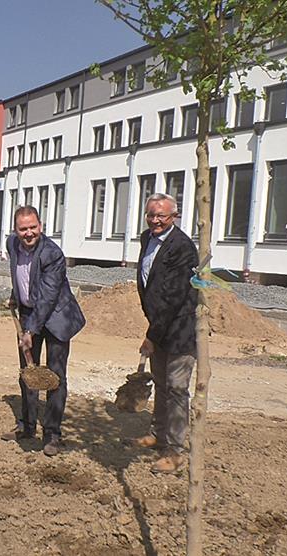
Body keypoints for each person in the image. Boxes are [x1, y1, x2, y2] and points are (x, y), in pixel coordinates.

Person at [3, 205, 85, 457]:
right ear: (15, 230)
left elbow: (48, 297)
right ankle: (27, 426)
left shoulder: (52, 253)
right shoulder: (11, 245)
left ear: (41, 226)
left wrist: (30, 331)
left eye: (32, 227)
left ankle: (52, 434)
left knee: (54, 378)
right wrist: (16, 296)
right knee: (28, 373)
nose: (28, 233)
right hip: (30, 314)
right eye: (22, 228)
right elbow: (24, 277)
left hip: (57, 318)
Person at [128, 192, 198, 474]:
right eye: (151, 215)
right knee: (159, 383)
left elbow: (173, 298)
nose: (155, 220)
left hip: (180, 329)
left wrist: (151, 336)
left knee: (177, 389)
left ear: (174, 216)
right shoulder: (147, 238)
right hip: (159, 324)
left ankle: (176, 451)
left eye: (162, 216)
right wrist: (153, 327)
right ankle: (158, 434)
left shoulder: (182, 247)